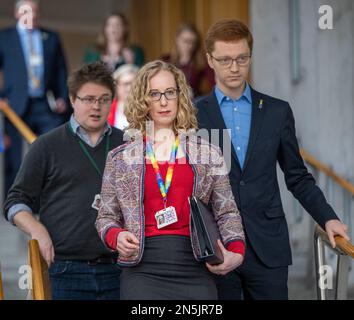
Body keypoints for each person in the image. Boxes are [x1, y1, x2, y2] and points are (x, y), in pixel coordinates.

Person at [195, 19, 350, 300]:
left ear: (250, 57)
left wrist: (328, 217)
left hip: (268, 246)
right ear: (210, 60)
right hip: (217, 245)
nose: (234, 67)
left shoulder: (277, 111)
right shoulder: (194, 114)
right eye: (225, 59)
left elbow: (297, 175)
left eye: (241, 58)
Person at [95, 60, 245, 300]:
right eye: (154, 94)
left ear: (180, 97)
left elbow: (227, 211)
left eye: (170, 92)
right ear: (143, 100)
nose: (163, 101)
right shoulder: (120, 158)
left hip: (196, 265)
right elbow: (105, 217)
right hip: (142, 270)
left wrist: (236, 250)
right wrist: (116, 236)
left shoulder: (208, 154)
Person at [3, 62, 124, 300]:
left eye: (103, 99)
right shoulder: (46, 145)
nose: (96, 106)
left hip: (118, 269)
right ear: (72, 99)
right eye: (88, 99)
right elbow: (14, 202)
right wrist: (37, 229)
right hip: (65, 270)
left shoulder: (127, 144)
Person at [0, 0, 70, 193]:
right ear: (17, 13)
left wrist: (62, 97)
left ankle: (48, 198)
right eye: (26, 11)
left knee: (54, 148)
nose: (32, 15)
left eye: (35, 11)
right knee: (13, 157)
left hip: (44, 104)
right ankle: (13, 203)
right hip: (14, 106)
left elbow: (61, 70)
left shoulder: (51, 37)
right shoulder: (4, 37)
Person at [161, 22, 214, 97]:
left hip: (193, 102)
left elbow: (214, 84)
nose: (189, 46)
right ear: (177, 40)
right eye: (185, 41)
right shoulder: (165, 60)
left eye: (193, 42)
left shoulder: (201, 62)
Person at [107, 64, 139, 130]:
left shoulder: (147, 110)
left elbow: (150, 138)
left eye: (134, 84)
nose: (130, 88)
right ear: (116, 86)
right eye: (126, 84)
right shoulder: (106, 109)